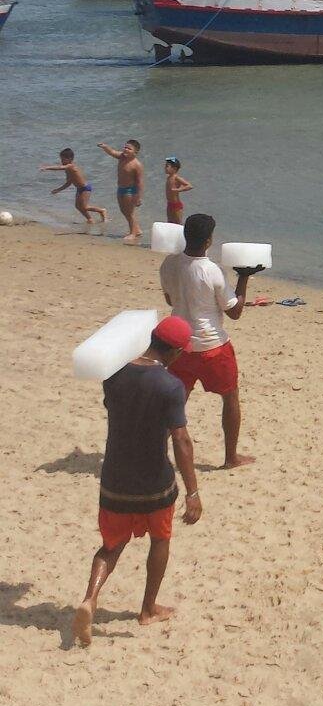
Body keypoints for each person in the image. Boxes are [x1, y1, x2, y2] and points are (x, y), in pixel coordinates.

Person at [73, 316, 202, 647]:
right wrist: (193, 492)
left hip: (114, 479)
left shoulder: (113, 375)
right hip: (154, 483)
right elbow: (182, 441)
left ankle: (90, 598)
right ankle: (147, 609)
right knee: (160, 540)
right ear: (174, 351)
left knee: (111, 546)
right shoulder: (170, 386)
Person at [159, 213, 264, 467]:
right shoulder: (211, 271)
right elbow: (235, 311)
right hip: (212, 347)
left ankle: (157, 456)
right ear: (208, 241)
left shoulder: (168, 264)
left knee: (174, 402)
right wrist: (244, 277)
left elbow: (170, 301)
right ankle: (231, 458)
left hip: (179, 347)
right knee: (230, 397)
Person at [39, 148, 106, 225]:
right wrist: (58, 190)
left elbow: (60, 167)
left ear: (70, 159)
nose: (61, 162)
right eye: (61, 159)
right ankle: (90, 219)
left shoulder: (71, 166)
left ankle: (101, 210)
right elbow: (68, 183)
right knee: (78, 206)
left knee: (84, 207)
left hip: (85, 188)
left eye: (63, 159)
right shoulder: (68, 170)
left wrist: (46, 168)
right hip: (79, 189)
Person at [98, 138, 145, 243]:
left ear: (135, 152)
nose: (126, 150)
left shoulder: (136, 165)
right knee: (124, 211)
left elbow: (140, 182)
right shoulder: (122, 157)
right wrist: (105, 147)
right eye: (125, 147)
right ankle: (137, 230)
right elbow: (112, 152)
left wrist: (139, 197)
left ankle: (133, 233)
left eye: (129, 148)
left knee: (130, 212)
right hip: (121, 188)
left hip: (130, 190)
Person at [164, 156, 193, 226]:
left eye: (167, 166)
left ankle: (181, 236)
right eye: (165, 166)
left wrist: (178, 190)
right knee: (170, 223)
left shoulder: (176, 178)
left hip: (176, 205)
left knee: (178, 223)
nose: (165, 168)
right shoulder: (169, 178)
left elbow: (189, 186)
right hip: (170, 204)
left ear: (174, 168)